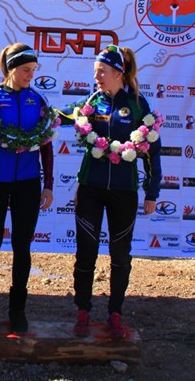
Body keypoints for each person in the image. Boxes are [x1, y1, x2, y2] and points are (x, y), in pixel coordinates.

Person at [67, 45, 162, 339]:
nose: (97, 77)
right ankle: (83, 311)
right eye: (95, 72)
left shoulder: (138, 104)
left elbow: (152, 152)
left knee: (120, 254)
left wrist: (152, 192)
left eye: (102, 72)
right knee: (86, 252)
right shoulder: (91, 102)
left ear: (119, 73)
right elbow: (67, 118)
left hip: (124, 190)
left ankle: (115, 313)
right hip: (91, 188)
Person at [0, 43, 57, 335]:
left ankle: (17, 310)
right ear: (11, 69)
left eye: (33, 70)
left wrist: (49, 185)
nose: (29, 75)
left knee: (22, 246)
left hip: (28, 183)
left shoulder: (38, 100)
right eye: (25, 70)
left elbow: (46, 146)